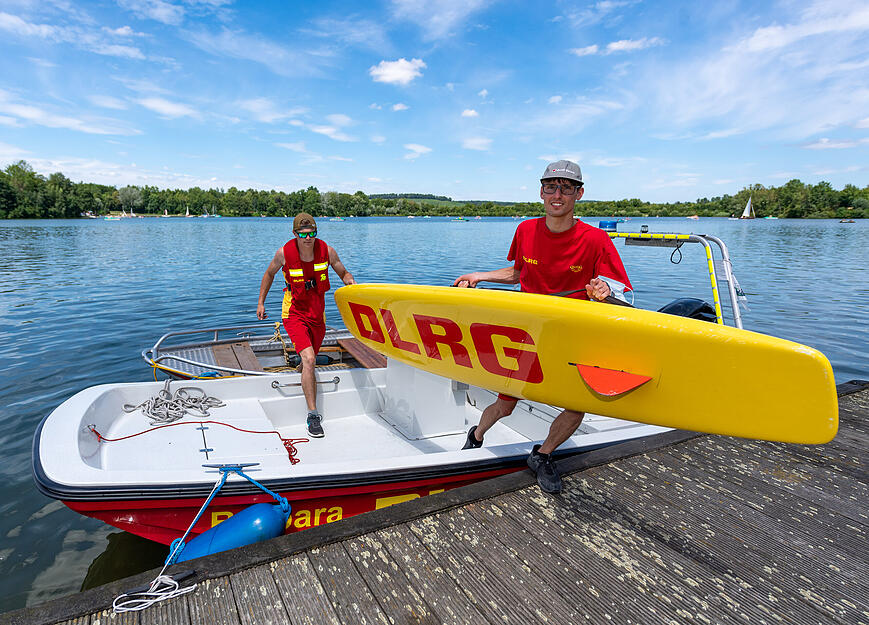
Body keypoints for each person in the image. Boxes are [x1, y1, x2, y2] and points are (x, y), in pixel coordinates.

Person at [453, 160, 632, 494]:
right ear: (541, 192)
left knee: (579, 403)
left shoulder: (596, 240)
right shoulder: (525, 230)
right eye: (551, 187)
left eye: (566, 188)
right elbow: (518, 272)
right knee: (506, 404)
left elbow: (622, 291)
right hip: (528, 333)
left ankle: (543, 454)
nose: (557, 194)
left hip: (572, 337)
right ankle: (476, 436)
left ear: (579, 194)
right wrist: (480, 275)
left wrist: (604, 293)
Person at [257, 212, 356, 438]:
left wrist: (350, 281)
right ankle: (313, 416)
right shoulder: (284, 254)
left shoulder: (327, 251)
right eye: (303, 234)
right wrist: (261, 302)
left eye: (312, 233)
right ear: (295, 234)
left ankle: (301, 366)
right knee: (310, 358)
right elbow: (269, 274)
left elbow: (342, 271)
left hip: (317, 313)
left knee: (308, 359)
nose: (308, 238)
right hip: (293, 312)